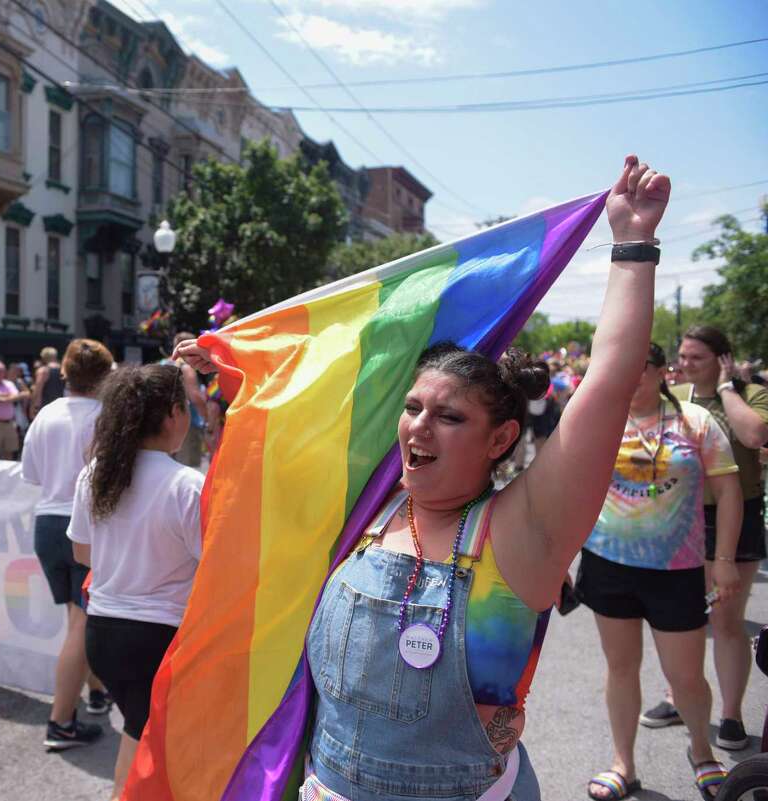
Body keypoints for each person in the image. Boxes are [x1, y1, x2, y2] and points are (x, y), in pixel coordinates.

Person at [175, 156, 674, 800]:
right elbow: (293, 410)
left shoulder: (524, 532)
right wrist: (230, 359)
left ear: (500, 439)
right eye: (411, 408)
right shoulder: (366, 509)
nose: (417, 427)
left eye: (448, 416)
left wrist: (633, 245)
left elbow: (606, 385)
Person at [577, 342, 741, 799]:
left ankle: (703, 751)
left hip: (677, 570)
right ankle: (623, 764)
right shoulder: (599, 418)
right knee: (621, 667)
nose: (629, 379)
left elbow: (728, 493)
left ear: (661, 371)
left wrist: (724, 561)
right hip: (608, 563)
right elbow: (569, 489)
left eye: (639, 368)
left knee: (686, 676)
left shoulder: (696, 421)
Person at [68, 363, 204, 801]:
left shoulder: (95, 475)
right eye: (186, 407)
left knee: (137, 734)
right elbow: (217, 566)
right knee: (160, 753)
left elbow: (82, 553)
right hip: (157, 640)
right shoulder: (186, 485)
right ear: (171, 415)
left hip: (103, 633)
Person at [641, 325, 768, 749]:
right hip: (681, 515)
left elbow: (754, 435)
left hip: (737, 513)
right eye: (682, 356)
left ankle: (731, 715)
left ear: (722, 359)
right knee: (681, 616)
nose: (685, 364)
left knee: (727, 621)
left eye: (696, 357)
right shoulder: (674, 397)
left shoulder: (750, 393)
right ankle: (678, 696)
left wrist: (729, 389)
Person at [22, 339, 116, 751]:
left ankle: (96, 691)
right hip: (85, 526)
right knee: (81, 621)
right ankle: (60, 720)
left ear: (65, 372)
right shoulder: (105, 415)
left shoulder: (46, 414)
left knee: (77, 618)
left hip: (47, 522)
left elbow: (31, 473)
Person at [164, 332, 208, 468]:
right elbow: (195, 397)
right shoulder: (186, 368)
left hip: (163, 424)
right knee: (187, 467)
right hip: (186, 425)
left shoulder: (163, 364)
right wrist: (208, 418)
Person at [0, 360, 27, 460]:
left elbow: (15, 396)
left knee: (10, 451)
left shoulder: (9, 383)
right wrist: (9, 396)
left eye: (3, 371)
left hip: (9, 423)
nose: (2, 373)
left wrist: (5, 398)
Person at [31, 346, 66, 417]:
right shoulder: (65, 370)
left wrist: (34, 408)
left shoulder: (43, 371)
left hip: (46, 408)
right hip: (62, 407)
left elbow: (38, 392)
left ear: (44, 357)